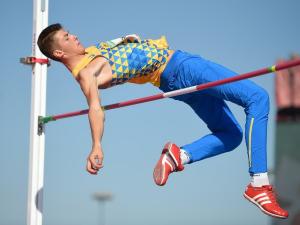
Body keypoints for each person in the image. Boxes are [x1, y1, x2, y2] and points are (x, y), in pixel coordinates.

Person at [37, 23, 288, 219]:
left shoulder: (89, 53)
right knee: (258, 98)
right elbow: (95, 108)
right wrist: (96, 145)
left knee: (230, 135)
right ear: (59, 52)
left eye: (70, 33)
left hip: (173, 81)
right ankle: (259, 183)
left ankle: (178, 156)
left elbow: (118, 44)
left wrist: (127, 40)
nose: (74, 37)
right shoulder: (86, 73)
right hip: (180, 67)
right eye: (67, 38)